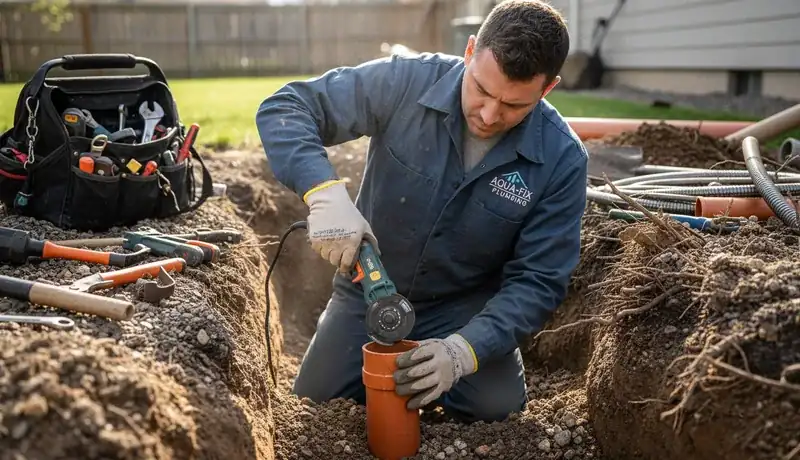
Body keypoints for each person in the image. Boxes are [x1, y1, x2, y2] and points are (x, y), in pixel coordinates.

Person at [255, 0, 588, 423]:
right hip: (368, 292)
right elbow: (286, 107)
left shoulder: (562, 158)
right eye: (482, 90)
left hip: (464, 309)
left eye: (514, 106)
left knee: (496, 411)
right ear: (469, 52)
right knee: (314, 407)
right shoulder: (405, 82)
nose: (489, 114)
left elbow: (539, 280)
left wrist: (464, 351)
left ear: (548, 89)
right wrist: (323, 194)